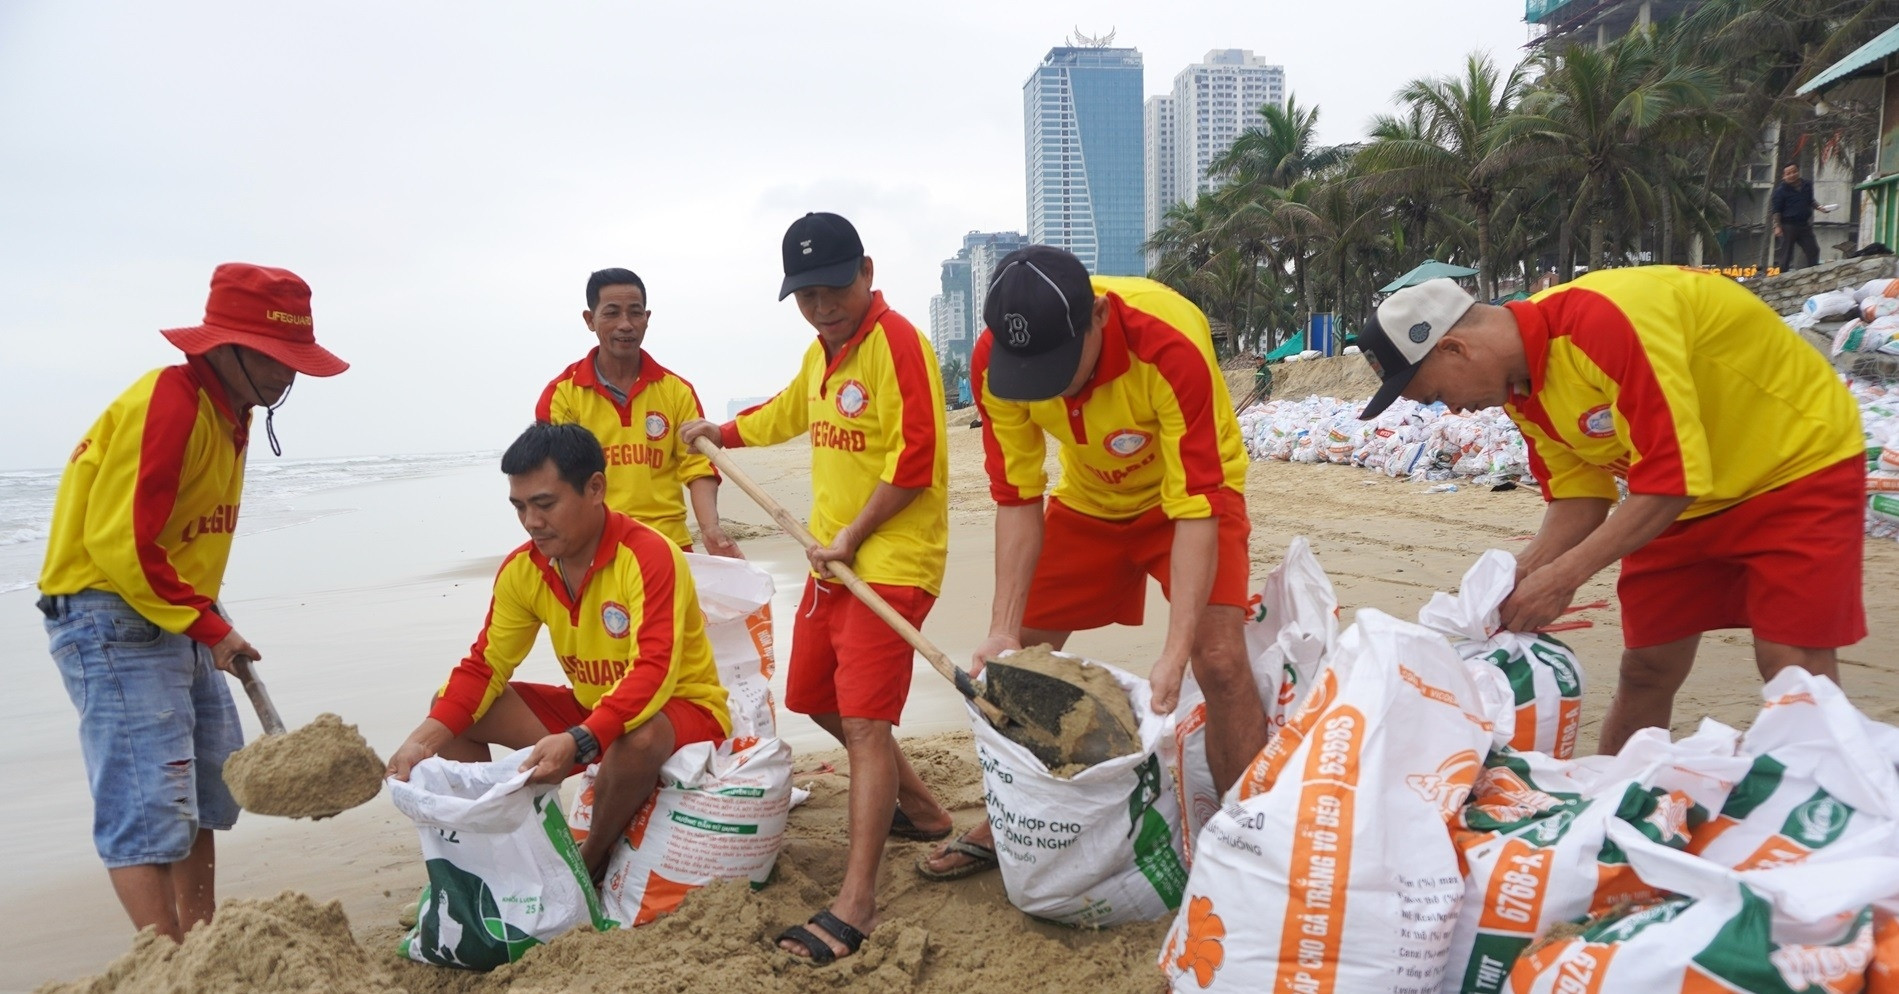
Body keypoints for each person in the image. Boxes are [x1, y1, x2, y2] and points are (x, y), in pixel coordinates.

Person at [1354, 268, 1864, 753]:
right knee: (1647, 667)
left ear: (1454, 348)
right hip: (1682, 495)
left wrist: (1562, 579)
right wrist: (1520, 575)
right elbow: (1581, 496)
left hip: (1794, 465)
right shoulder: (1520, 390)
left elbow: (1672, 480)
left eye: (1439, 394)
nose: (1453, 411)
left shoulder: (1601, 323)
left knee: (1792, 666)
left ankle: (1827, 817)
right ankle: (1619, 809)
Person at [919, 244, 1269, 881]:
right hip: (1087, 501)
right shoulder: (993, 362)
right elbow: (1018, 496)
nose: (1047, 383)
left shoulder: (1168, 344)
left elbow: (1195, 508)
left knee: (1217, 659)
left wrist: (1175, 647)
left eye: (1057, 364)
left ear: (1100, 316)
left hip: (1188, 498)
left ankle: (1248, 834)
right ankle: (1011, 820)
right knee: (1016, 662)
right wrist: (1002, 626)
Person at [37, 263, 349, 942]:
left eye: (293, 360)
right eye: (273, 357)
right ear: (222, 346)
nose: (286, 376)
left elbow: (174, 543)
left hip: (179, 607)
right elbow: (120, 543)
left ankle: (202, 936)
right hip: (110, 612)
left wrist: (209, 620)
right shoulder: (171, 402)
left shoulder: (230, 411)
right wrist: (208, 627)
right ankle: (166, 959)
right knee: (149, 798)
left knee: (204, 785)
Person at [678, 211, 953, 964]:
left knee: (865, 724)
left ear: (864, 273)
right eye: (806, 295)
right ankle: (923, 809)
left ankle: (855, 902)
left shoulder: (896, 344)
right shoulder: (821, 353)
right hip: (832, 558)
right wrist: (719, 433)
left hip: (890, 559)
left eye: (833, 289)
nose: (822, 306)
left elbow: (917, 460)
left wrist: (854, 539)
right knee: (813, 697)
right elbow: (785, 413)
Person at [385, 422, 730, 882]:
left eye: (545, 504)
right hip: (593, 712)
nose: (531, 521)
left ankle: (588, 863)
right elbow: (484, 666)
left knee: (640, 733)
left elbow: (653, 672)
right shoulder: (523, 568)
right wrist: (419, 743)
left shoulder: (648, 555)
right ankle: (493, 862)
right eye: (520, 506)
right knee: (452, 712)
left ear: (595, 488)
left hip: (680, 713)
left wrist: (581, 739)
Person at [537, 268, 738, 557]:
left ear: (647, 318)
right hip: (596, 548)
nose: (626, 324)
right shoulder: (563, 394)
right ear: (589, 320)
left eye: (635, 312)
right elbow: (554, 481)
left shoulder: (676, 390)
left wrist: (710, 528)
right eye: (611, 313)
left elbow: (697, 467)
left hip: (669, 547)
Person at [1770, 163, 1834, 272]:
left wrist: (1820, 207)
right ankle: (1782, 277)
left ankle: (1814, 272)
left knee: (1813, 249)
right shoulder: (1780, 191)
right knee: (1786, 253)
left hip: (1804, 224)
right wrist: (1777, 226)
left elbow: (1810, 201)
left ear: (1798, 172)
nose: (1792, 175)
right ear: (1784, 176)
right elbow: (1776, 211)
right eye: (1788, 173)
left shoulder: (1807, 185)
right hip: (1788, 225)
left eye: (1794, 171)